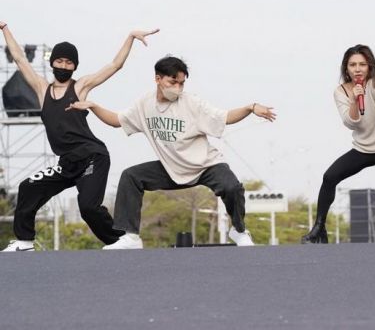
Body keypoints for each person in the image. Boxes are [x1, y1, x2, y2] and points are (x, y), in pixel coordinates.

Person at [67, 56, 275, 249]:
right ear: (158, 79)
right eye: (172, 82)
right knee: (131, 176)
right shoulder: (145, 104)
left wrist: (250, 108)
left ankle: (239, 230)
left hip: (205, 165)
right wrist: (93, 106)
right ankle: (130, 236)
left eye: (181, 83)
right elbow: (116, 121)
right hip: (171, 168)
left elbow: (224, 117)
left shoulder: (192, 103)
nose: (177, 88)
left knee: (232, 187)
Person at [0, 21, 158, 252]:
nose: (64, 66)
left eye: (69, 62)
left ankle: (121, 241)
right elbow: (20, 59)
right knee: (28, 187)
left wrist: (131, 37)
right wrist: (4, 28)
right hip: (67, 164)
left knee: (88, 207)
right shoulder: (42, 89)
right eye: (60, 61)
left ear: (74, 66)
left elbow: (114, 65)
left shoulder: (80, 87)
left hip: (92, 157)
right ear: (52, 63)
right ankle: (24, 242)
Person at [302, 44, 375, 243]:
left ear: (369, 66)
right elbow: (351, 123)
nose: (357, 69)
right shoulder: (340, 91)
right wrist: (353, 100)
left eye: (362, 64)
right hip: (363, 148)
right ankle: (319, 228)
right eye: (352, 65)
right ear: (346, 68)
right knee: (329, 177)